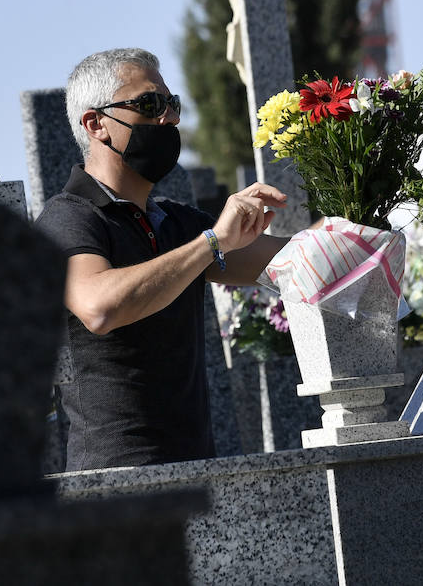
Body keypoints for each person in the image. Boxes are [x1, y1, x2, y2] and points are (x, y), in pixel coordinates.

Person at [35, 47, 295, 470]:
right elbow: (99, 307)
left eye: (172, 104)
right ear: (95, 123)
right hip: (118, 482)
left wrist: (359, 215)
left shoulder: (177, 221)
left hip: (199, 469)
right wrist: (212, 243)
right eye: (151, 104)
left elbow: (292, 261)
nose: (170, 118)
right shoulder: (67, 218)